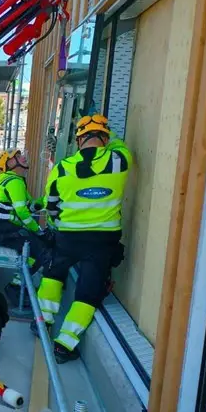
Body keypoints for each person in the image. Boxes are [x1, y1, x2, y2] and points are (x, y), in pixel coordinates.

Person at [36, 114, 132, 363]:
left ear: (78, 140)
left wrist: (58, 224)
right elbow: (119, 144)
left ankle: (43, 323)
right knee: (88, 294)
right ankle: (64, 345)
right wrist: (107, 133)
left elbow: (51, 206)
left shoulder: (63, 167)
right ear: (105, 138)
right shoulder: (120, 160)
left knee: (53, 274)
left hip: (68, 237)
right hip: (101, 242)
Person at [0, 149, 52, 289]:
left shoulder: (14, 181)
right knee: (40, 250)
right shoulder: (15, 182)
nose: (23, 158)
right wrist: (38, 230)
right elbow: (22, 212)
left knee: (36, 246)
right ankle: (18, 287)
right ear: (10, 163)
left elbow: (29, 206)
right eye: (18, 156)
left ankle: (20, 283)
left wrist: (47, 199)